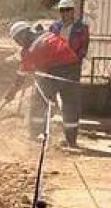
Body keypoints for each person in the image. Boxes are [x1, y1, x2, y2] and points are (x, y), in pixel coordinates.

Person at [17, 17, 82, 146]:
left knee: (39, 100)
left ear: (23, 34)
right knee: (70, 104)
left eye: (17, 39)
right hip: (73, 67)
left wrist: (12, 92)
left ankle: (36, 134)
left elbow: (22, 75)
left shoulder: (31, 48)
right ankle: (71, 140)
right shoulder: (47, 34)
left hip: (56, 69)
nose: (18, 43)